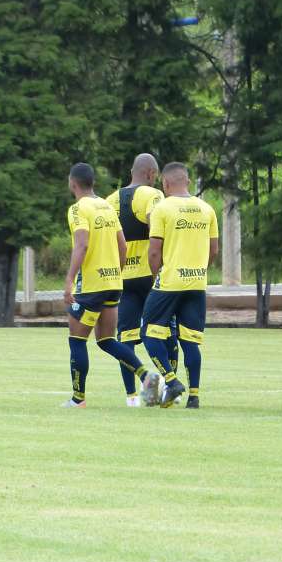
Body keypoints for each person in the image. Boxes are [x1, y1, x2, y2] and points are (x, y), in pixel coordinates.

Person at [63, 163, 159, 408]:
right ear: (92, 182)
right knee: (106, 340)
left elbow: (81, 245)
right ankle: (146, 376)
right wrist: (117, 272)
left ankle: (78, 399)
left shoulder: (77, 209)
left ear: (73, 183)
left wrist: (69, 279)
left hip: (92, 285)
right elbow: (123, 246)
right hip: (114, 282)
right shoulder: (106, 207)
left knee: (77, 340)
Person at [142, 162, 220, 409]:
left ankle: (171, 380)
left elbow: (155, 251)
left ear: (165, 183)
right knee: (191, 341)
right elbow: (214, 249)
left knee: (148, 331)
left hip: (170, 282)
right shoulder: (207, 209)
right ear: (187, 181)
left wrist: (157, 275)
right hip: (197, 282)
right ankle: (194, 397)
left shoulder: (162, 208)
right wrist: (199, 269)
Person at [106, 154, 176, 406]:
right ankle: (169, 387)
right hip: (150, 275)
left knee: (126, 337)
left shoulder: (110, 200)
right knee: (163, 331)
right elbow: (157, 223)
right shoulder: (153, 195)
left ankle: (132, 396)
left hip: (123, 277)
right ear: (151, 174)